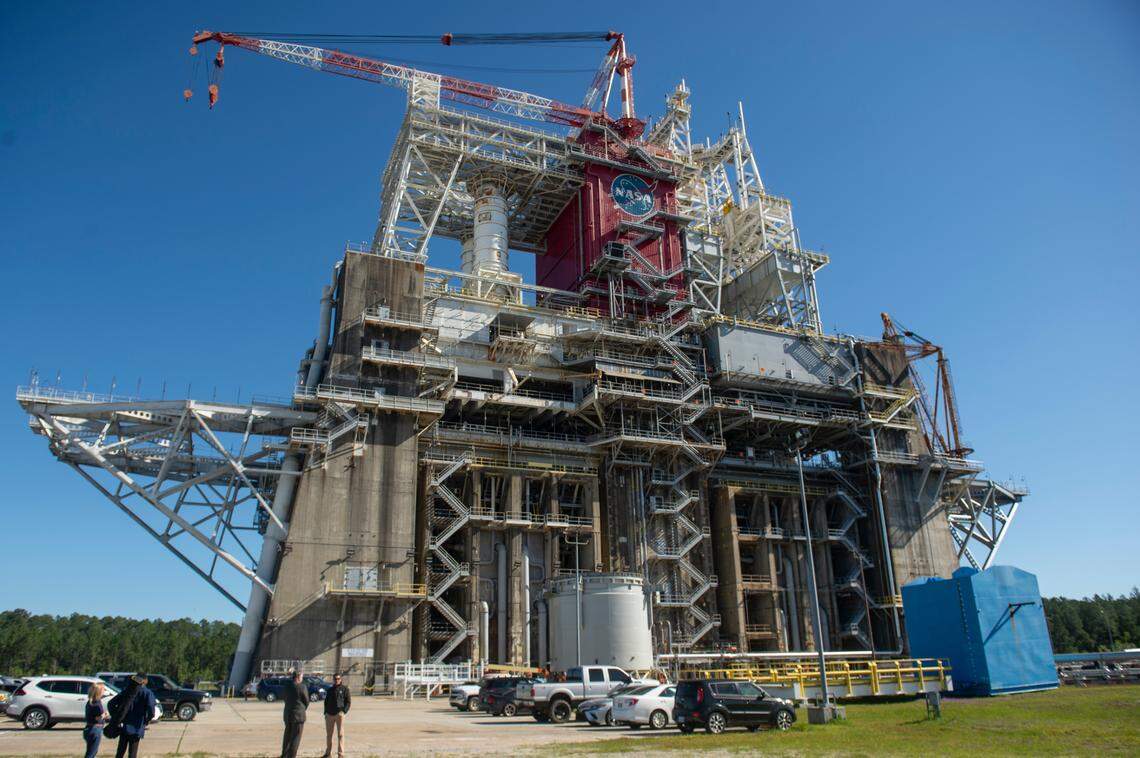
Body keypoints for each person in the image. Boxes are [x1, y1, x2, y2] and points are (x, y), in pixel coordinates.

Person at [107, 673, 157, 758]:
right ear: (145, 681)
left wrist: (116, 716)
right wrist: (147, 720)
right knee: (132, 753)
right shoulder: (147, 693)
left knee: (120, 752)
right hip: (137, 726)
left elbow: (111, 704)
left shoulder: (127, 690)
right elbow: (151, 709)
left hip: (123, 725)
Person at [321, 673, 351, 758]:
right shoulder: (330, 690)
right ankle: (328, 753)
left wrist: (344, 711)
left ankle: (340, 754)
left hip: (339, 714)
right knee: (329, 735)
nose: (337, 680)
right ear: (333, 680)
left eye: (338, 679)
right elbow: (326, 701)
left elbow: (348, 702)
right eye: (335, 679)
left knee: (340, 734)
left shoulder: (345, 689)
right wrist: (325, 712)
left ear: (340, 679)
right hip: (329, 715)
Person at [281, 670, 309, 758]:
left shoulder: (287, 686)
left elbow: (284, 698)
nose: (302, 679)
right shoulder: (302, 687)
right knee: (296, 738)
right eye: (301, 677)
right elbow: (306, 701)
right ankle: (291, 756)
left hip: (288, 714)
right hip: (298, 715)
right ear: (298, 677)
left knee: (287, 736)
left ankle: (284, 755)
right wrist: (302, 708)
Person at [83, 680, 109, 758]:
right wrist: (106, 714)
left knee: (91, 752)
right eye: (103, 690)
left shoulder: (90, 702)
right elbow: (98, 718)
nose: (104, 691)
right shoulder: (97, 704)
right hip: (95, 729)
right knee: (91, 754)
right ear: (99, 692)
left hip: (89, 728)